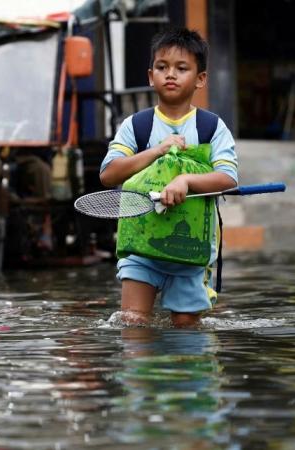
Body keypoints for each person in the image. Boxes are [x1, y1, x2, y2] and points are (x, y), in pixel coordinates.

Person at [100, 27, 238, 327]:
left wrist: (186, 181)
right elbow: (109, 174)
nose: (170, 74)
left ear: (200, 79)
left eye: (181, 68)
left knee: (186, 327)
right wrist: (157, 151)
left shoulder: (211, 127)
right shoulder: (136, 126)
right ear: (151, 77)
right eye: (162, 67)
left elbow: (228, 179)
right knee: (133, 323)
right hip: (140, 246)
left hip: (190, 252)